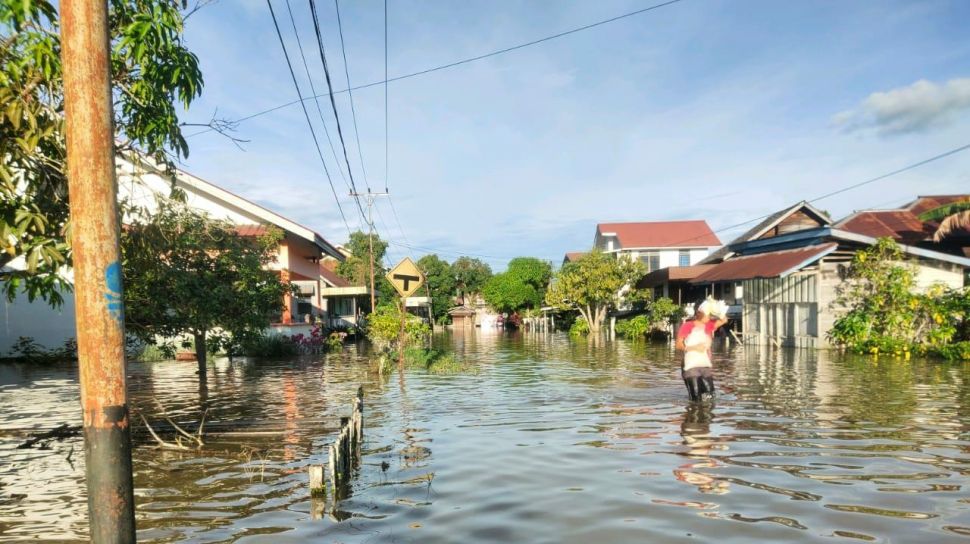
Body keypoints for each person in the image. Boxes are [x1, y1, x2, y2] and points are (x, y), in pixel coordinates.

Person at [675, 299, 728, 402]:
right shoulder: (688, 326)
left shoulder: (709, 325)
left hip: (704, 364)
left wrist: (717, 310)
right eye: (707, 315)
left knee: (710, 396)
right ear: (700, 313)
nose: (709, 317)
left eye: (709, 315)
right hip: (691, 366)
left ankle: (706, 416)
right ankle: (693, 416)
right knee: (696, 397)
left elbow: (724, 320)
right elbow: (678, 345)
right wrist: (694, 348)